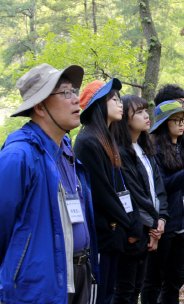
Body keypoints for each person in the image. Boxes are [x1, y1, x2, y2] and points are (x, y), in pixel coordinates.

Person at [0, 64, 99, 304]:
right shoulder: (18, 156)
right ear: (39, 107)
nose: (76, 99)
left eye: (74, 91)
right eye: (66, 93)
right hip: (39, 284)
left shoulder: (65, 149)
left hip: (80, 271)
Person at [75, 79, 142, 304]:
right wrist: (129, 222)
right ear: (98, 104)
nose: (120, 103)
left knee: (111, 293)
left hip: (116, 232)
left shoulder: (108, 139)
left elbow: (120, 186)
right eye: (113, 99)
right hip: (102, 234)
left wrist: (133, 220)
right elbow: (101, 191)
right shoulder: (87, 141)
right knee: (99, 296)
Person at [111, 95, 169, 304]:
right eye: (139, 112)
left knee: (137, 287)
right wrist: (154, 225)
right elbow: (135, 194)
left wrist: (161, 219)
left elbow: (158, 189)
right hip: (133, 230)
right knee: (125, 291)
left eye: (146, 111)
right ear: (125, 118)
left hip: (150, 228)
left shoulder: (145, 148)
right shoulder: (120, 151)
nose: (146, 116)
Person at [141, 101, 184, 304]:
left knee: (174, 281)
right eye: (176, 119)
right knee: (153, 280)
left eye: (183, 120)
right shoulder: (154, 151)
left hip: (182, 226)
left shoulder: (182, 149)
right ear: (165, 123)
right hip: (163, 226)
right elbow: (160, 187)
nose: (181, 124)